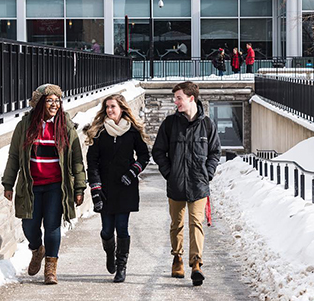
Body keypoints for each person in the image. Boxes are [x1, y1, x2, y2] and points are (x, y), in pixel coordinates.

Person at [2, 84, 86, 285]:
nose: (54, 105)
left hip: (56, 186)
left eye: (57, 101)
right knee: (29, 225)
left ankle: (50, 269)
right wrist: (8, 183)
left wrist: (79, 187)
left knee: (52, 226)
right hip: (31, 185)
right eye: (50, 100)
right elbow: (14, 156)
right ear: (40, 103)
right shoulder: (25, 126)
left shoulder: (65, 126)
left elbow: (76, 159)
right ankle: (37, 248)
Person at [152, 81, 221, 286]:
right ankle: (177, 258)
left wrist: (207, 173)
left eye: (179, 98)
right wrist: (169, 173)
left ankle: (196, 264)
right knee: (177, 224)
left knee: (197, 223)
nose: (176, 102)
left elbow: (215, 152)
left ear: (191, 98)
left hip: (199, 184)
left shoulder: (207, 124)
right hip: (176, 184)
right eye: (175, 98)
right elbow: (158, 151)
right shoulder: (170, 124)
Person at [85, 94, 149, 283]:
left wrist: (132, 172)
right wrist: (95, 189)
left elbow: (144, 156)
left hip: (125, 187)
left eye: (113, 106)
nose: (110, 110)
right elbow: (92, 162)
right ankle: (109, 252)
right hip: (105, 189)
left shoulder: (132, 131)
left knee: (122, 228)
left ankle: (122, 267)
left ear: (122, 108)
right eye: (107, 107)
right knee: (106, 230)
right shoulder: (99, 132)